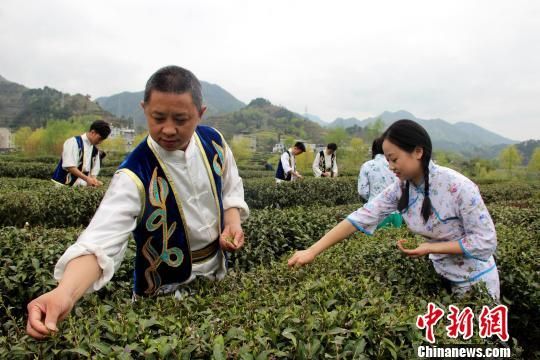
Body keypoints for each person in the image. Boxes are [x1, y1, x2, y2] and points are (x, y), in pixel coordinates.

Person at [27, 65, 250, 339]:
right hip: (164, 295)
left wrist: (232, 222)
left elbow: (230, 188)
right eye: (158, 117)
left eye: (181, 119)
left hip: (218, 275)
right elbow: (101, 239)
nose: (168, 129)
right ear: (144, 109)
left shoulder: (214, 141)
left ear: (200, 113)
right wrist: (65, 293)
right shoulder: (135, 172)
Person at [288, 119, 500, 300]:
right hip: (441, 275)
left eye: (394, 159)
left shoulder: (459, 187)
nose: (390, 166)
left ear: (418, 151)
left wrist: (429, 248)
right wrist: (312, 251)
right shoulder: (400, 188)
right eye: (388, 159)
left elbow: (485, 241)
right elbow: (360, 217)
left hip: (476, 282)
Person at [51, 120, 111, 187]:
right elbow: (69, 166)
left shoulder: (95, 151)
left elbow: (93, 173)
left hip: (80, 188)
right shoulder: (73, 142)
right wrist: (87, 179)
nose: (100, 142)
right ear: (93, 132)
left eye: (102, 140)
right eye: (99, 139)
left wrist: (94, 181)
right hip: (62, 185)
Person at [358, 137, 402, 228]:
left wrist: (373, 198)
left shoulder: (367, 165)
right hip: (396, 213)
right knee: (397, 240)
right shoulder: (397, 165)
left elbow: (362, 191)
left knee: (377, 241)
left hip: (374, 212)